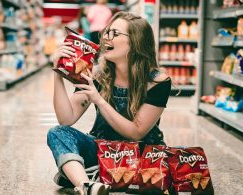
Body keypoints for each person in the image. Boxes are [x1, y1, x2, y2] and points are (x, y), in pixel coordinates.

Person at [47, 11, 172, 195]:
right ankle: (87, 185)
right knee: (57, 133)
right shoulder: (96, 75)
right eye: (106, 32)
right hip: (102, 150)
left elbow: (136, 132)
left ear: (136, 42)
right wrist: (59, 73)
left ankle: (87, 173)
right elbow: (66, 119)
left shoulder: (157, 81)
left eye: (114, 34)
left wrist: (99, 99)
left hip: (140, 153)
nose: (106, 38)